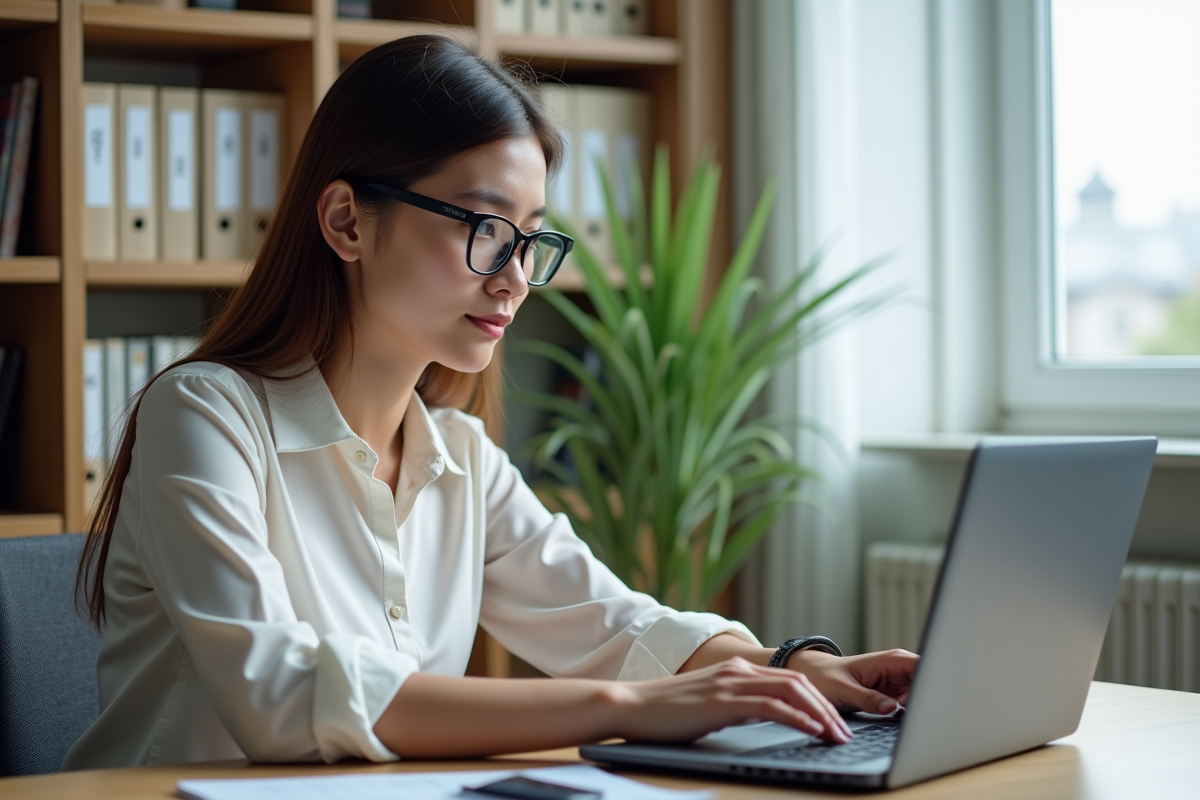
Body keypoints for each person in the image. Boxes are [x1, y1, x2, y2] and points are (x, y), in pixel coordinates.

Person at [64, 35, 917, 770]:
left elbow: (620, 626)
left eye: (530, 238)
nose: (514, 278)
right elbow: (279, 696)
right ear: (347, 223)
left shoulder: (458, 457)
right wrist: (621, 707)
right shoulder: (205, 418)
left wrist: (792, 666)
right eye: (482, 227)